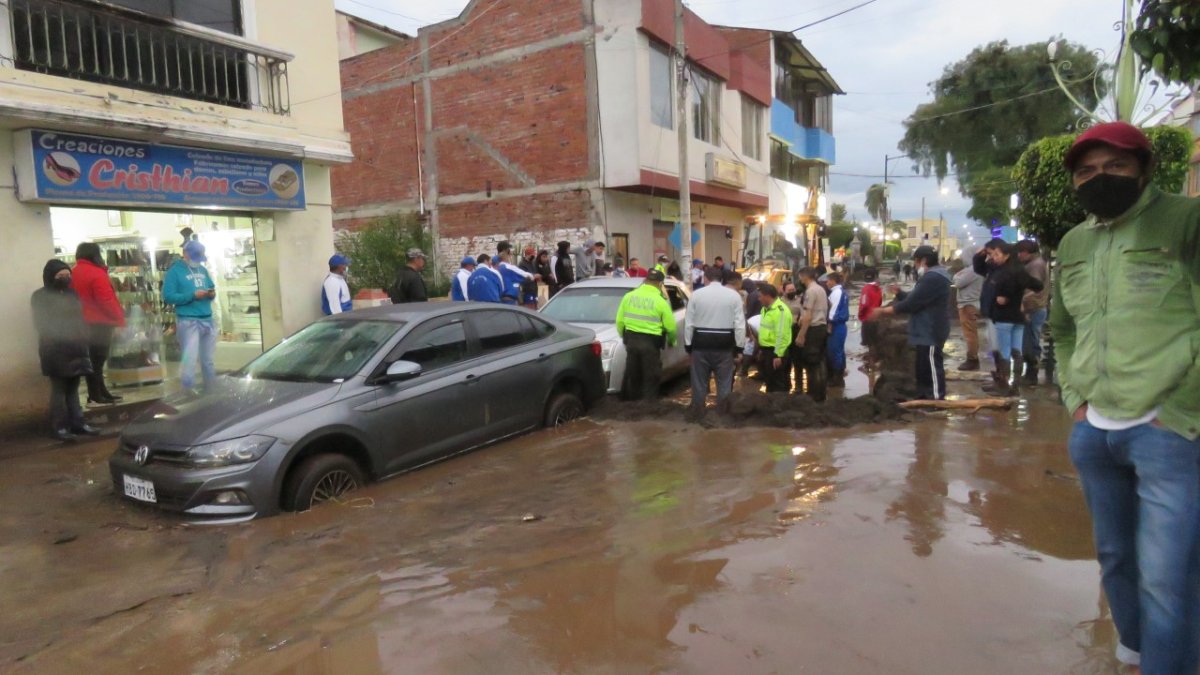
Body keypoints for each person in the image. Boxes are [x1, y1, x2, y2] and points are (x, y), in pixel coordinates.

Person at [1051, 121, 1200, 675]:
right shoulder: (1074, 242)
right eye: (1087, 171)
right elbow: (1062, 330)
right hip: (1095, 433)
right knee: (1115, 561)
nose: (1100, 178)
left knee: (1167, 577)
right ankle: (1137, 655)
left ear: (1144, 168)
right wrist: (1075, 401)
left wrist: (1182, 411)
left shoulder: (1185, 222)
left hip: (1170, 432)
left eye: (1115, 166)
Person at [870, 246, 952, 400]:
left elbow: (912, 304)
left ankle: (936, 398)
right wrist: (900, 293)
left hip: (931, 330)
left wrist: (883, 311)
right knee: (922, 366)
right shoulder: (931, 277)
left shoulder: (933, 278)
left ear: (924, 261)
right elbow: (917, 297)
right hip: (924, 330)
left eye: (915, 261)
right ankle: (923, 395)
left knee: (932, 367)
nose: (914, 265)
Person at [32, 260, 100, 441]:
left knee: (73, 389)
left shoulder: (72, 294)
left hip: (76, 348)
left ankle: (78, 423)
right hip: (55, 349)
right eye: (60, 276)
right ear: (50, 276)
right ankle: (59, 427)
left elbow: (79, 318)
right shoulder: (40, 296)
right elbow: (41, 323)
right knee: (59, 390)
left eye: (67, 275)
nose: (65, 278)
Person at [981, 241, 1043, 397]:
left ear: (1007, 255)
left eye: (996, 254)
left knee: (1004, 352)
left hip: (1004, 317)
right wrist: (1017, 296)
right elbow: (1037, 285)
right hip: (1018, 317)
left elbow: (1000, 293)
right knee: (1017, 351)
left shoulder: (1005, 272)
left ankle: (1004, 386)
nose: (993, 257)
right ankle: (1015, 386)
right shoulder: (1020, 270)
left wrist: (1006, 296)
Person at [684, 266, 746, 415]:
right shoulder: (733, 296)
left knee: (699, 382)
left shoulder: (696, 295)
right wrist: (739, 348)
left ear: (706, 278)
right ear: (722, 279)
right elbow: (739, 324)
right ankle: (723, 414)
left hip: (701, 344)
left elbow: (689, 323)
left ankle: (698, 413)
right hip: (725, 345)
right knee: (724, 382)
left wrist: (688, 346)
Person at [70, 242, 125, 405]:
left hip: (81, 323)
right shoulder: (96, 274)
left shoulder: (74, 273)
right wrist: (119, 319)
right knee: (98, 361)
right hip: (100, 323)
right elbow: (106, 300)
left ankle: (99, 392)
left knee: (91, 361)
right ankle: (96, 395)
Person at [163, 239, 217, 392]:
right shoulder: (174, 272)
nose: (197, 261)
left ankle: (211, 391)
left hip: (207, 319)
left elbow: (211, 287)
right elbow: (168, 297)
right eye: (194, 257)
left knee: (208, 361)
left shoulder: (203, 270)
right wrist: (192, 295)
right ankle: (187, 391)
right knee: (190, 360)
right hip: (188, 321)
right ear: (185, 254)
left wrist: (211, 294)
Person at [615, 269, 677, 400]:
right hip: (650, 344)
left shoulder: (628, 296)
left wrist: (625, 339)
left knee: (633, 376)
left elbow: (619, 322)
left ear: (645, 281)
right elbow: (671, 327)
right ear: (660, 284)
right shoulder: (660, 301)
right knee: (650, 378)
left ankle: (632, 408)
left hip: (631, 342)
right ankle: (647, 410)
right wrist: (672, 341)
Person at [973, 238, 1007, 384]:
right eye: (990, 255)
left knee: (1000, 347)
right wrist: (979, 256)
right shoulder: (994, 267)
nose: (992, 258)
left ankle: (1004, 379)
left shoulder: (1008, 269)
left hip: (1000, 313)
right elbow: (980, 269)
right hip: (991, 311)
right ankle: (999, 376)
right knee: (994, 346)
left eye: (994, 254)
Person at [1016, 239, 1049, 385]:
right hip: (1035, 307)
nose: (1019, 255)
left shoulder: (1035, 265)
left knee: (1030, 342)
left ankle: (1031, 374)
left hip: (1033, 308)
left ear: (1027, 252)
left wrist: (1022, 303)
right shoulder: (1036, 263)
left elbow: (1033, 289)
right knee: (1029, 340)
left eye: (1020, 252)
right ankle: (1030, 372)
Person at [794, 268, 829, 401]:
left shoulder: (810, 291)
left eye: (800, 277)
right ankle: (820, 394)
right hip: (821, 327)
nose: (800, 280)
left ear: (804, 277)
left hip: (813, 329)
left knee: (811, 363)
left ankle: (813, 395)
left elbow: (808, 316)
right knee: (819, 362)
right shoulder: (821, 289)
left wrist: (801, 335)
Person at [755, 284, 793, 393]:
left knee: (778, 382)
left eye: (760, 296)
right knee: (770, 380)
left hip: (776, 352)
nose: (759, 298)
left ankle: (779, 406)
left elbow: (782, 335)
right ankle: (771, 405)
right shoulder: (765, 309)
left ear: (767, 296)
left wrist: (778, 355)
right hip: (767, 350)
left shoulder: (781, 311)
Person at [953, 263, 984, 371]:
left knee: (970, 334)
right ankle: (972, 359)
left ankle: (972, 360)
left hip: (968, 304)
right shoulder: (973, 269)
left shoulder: (973, 269)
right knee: (971, 333)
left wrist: (958, 275)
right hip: (969, 303)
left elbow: (958, 282)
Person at [825, 272, 850, 388]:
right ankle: (839, 374)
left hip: (837, 325)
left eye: (828, 280)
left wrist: (829, 323)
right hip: (839, 325)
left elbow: (833, 312)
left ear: (833, 281)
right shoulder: (840, 292)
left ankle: (836, 378)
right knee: (838, 351)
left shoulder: (836, 293)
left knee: (834, 352)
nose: (826, 283)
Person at [858, 269, 884, 368]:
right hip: (876, 317)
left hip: (868, 318)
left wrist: (861, 314)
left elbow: (864, 304)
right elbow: (880, 302)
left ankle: (872, 363)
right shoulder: (878, 288)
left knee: (869, 343)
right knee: (874, 341)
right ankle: (875, 361)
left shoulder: (866, 288)